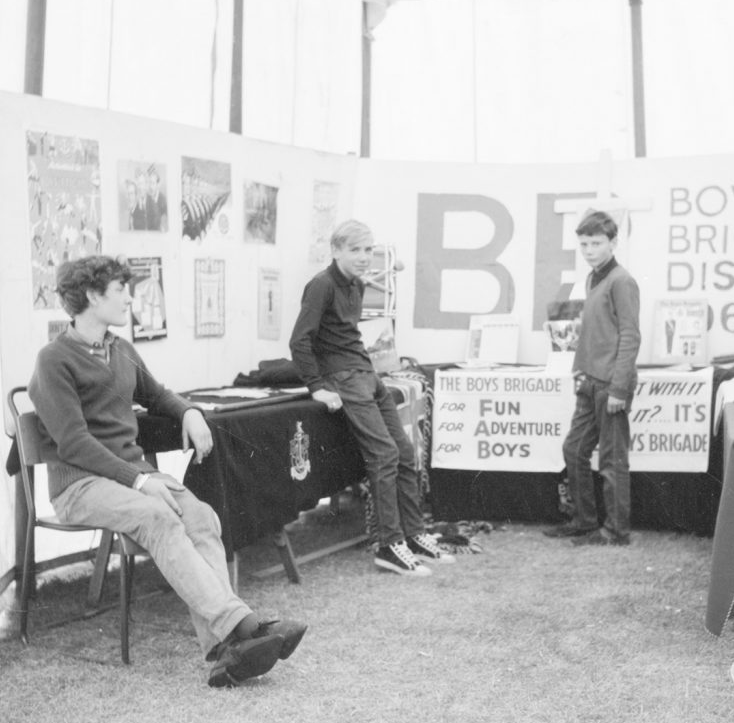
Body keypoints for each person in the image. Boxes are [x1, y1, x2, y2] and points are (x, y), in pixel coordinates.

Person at [28, 255, 306, 687]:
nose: (129, 299)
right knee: (157, 515)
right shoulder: (53, 361)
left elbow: (158, 396)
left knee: (202, 517)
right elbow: (73, 444)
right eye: (120, 290)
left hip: (128, 478)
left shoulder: (121, 349)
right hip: (80, 484)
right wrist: (139, 480)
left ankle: (226, 652)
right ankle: (243, 628)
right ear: (91, 296)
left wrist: (189, 413)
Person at [289, 219, 453, 576]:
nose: (364, 257)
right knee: (385, 454)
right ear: (335, 250)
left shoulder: (358, 285)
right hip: (344, 379)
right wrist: (317, 386)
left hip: (367, 375)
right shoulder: (320, 286)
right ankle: (389, 545)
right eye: (356, 250)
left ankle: (413, 535)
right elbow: (300, 340)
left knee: (405, 454)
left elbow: (348, 336)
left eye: (368, 250)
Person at [544, 210, 640, 547]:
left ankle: (616, 532)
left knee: (613, 460)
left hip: (611, 383)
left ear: (613, 243)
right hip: (590, 380)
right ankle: (585, 521)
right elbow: (596, 332)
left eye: (596, 243)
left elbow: (630, 336)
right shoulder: (592, 278)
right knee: (574, 449)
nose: (588, 250)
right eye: (583, 243)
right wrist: (581, 369)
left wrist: (619, 387)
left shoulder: (622, 281)